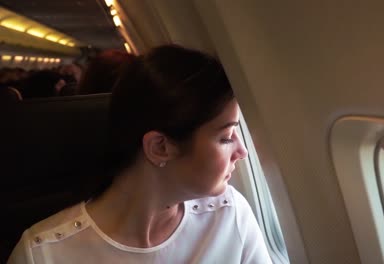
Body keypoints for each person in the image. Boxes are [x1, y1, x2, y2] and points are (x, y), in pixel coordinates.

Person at [8, 45, 272, 263]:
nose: (242, 151)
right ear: (160, 147)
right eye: (226, 137)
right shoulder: (43, 254)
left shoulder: (230, 215)